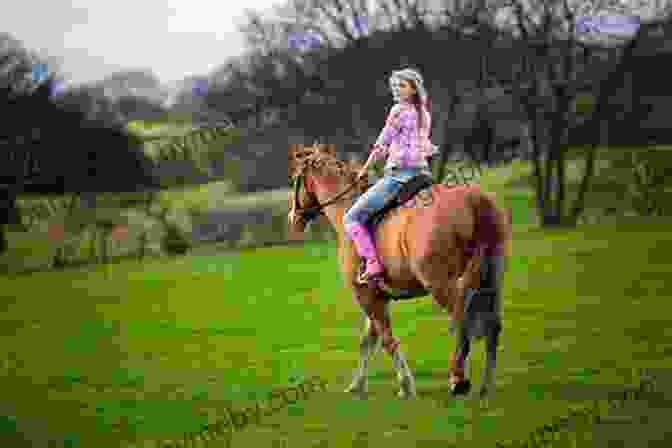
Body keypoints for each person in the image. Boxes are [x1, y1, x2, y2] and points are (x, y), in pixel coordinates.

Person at [344, 68, 439, 285]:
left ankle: (372, 264)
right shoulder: (424, 113)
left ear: (414, 88)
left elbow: (382, 143)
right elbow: (416, 145)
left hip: (399, 178)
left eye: (402, 85)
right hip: (423, 174)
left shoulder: (398, 111)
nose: (398, 90)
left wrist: (365, 169)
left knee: (351, 218)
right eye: (396, 86)